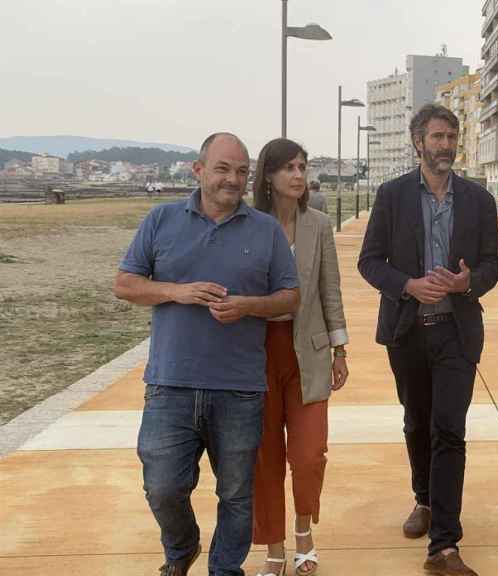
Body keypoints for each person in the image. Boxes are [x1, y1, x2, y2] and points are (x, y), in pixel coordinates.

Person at [113, 132, 301, 576]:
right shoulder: (161, 220)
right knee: (162, 486)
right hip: (169, 384)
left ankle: (224, 570)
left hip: (238, 388)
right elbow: (125, 284)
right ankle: (182, 550)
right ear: (198, 170)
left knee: (236, 494)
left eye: (240, 170)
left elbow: (290, 297)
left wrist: (248, 306)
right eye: (222, 168)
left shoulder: (266, 229)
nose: (232, 179)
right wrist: (176, 291)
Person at [357, 103, 498, 576]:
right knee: (417, 422)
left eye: (451, 137)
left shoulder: (479, 200)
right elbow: (370, 261)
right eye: (437, 137)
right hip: (407, 331)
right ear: (418, 142)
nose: (446, 145)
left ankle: (444, 545)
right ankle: (424, 500)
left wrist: (467, 283)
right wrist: (408, 285)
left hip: (457, 333)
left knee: (450, 430)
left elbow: (491, 265)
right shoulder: (393, 195)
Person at [250, 139, 350, 576]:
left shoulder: (319, 225)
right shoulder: (247, 225)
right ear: (268, 176)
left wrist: (339, 348)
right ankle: (274, 547)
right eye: (288, 167)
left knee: (309, 455)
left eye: (303, 167)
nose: (298, 175)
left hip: (307, 353)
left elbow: (330, 289)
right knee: (264, 457)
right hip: (254, 356)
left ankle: (304, 530)